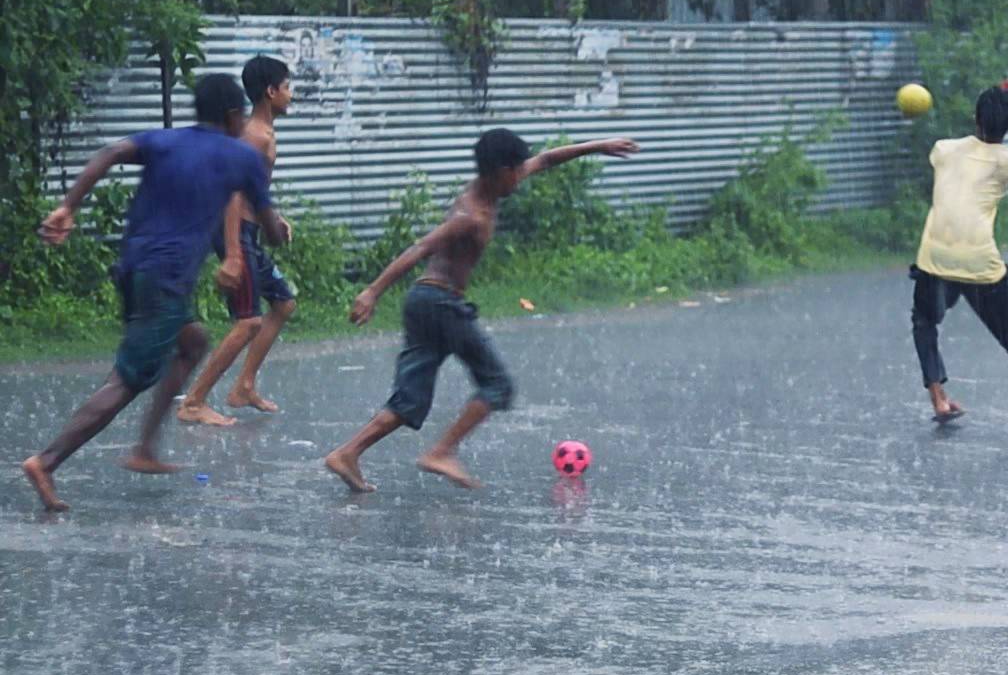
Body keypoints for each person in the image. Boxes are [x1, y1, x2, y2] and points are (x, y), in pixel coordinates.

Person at [20, 74, 287, 512]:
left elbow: (110, 153)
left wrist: (68, 206)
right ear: (233, 115)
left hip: (133, 267)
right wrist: (276, 231)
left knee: (193, 341)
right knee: (128, 379)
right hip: (166, 279)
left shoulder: (166, 141)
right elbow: (270, 229)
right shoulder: (242, 157)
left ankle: (144, 448)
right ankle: (46, 461)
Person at [324, 131, 639, 493]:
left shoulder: (490, 189)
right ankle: (441, 452)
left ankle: (347, 453)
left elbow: (548, 159)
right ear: (501, 171)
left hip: (423, 303)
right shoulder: (470, 214)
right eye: (517, 171)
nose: (523, 176)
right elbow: (422, 246)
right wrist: (372, 291)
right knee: (497, 384)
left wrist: (598, 145)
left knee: (409, 399)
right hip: (441, 304)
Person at [910, 87, 1008, 441]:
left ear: (975, 118)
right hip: (978, 261)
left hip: (936, 257)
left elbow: (952, 162)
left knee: (924, 321)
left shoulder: (943, 150)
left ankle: (938, 398)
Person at [178, 56, 299, 425]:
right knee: (248, 322)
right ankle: (193, 402)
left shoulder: (262, 133)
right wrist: (232, 253)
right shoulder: (254, 137)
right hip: (236, 233)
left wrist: (272, 216)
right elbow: (231, 191)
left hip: (250, 230)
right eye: (288, 87)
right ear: (271, 91)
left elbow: (251, 187)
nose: (291, 95)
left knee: (283, 304)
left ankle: (244, 385)